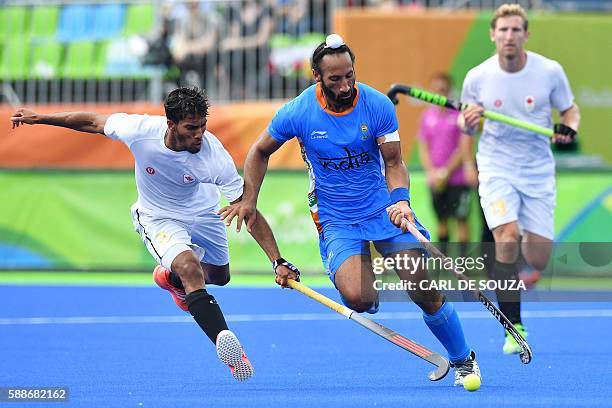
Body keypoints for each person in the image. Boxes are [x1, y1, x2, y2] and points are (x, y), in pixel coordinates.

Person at [219, 34, 481, 386]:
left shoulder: (376, 105)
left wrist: (400, 199)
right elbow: (259, 151)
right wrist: (249, 198)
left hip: (383, 210)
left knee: (421, 286)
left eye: (350, 76)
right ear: (317, 77)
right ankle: (363, 278)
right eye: (335, 79)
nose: (345, 86)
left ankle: (464, 359)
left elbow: (394, 162)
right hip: (336, 218)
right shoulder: (298, 111)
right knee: (358, 298)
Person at [10, 87, 300, 381]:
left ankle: (170, 280)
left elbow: (248, 210)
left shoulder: (214, 157)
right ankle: (228, 347)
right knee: (190, 268)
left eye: (202, 126)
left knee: (220, 277)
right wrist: (41, 118)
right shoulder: (140, 131)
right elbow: (92, 122)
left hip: (204, 213)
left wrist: (277, 260)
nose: (199, 134)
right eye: (191, 128)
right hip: (158, 216)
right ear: (171, 125)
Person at [459, 4, 580, 354]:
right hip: (497, 167)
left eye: (516, 30)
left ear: (526, 34)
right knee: (506, 238)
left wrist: (568, 129)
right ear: (492, 34)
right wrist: (469, 121)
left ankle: (520, 252)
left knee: (539, 258)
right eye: (503, 30)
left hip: (538, 171)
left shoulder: (549, 71)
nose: (509, 36)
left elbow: (569, 110)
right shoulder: (477, 76)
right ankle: (513, 325)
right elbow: (465, 125)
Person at [417, 73, 472, 257]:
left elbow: (463, 147)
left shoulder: (459, 115)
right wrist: (432, 173)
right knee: (441, 221)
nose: (439, 93)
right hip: (436, 181)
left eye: (443, 89)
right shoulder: (427, 116)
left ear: (449, 91)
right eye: (436, 90)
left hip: (458, 179)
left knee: (461, 221)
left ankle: (464, 265)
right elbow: (424, 147)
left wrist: (446, 172)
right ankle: (444, 264)